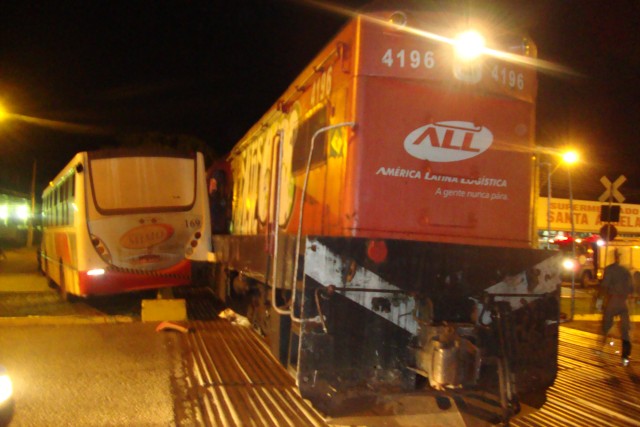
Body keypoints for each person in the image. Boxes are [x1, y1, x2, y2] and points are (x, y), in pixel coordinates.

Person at [600, 249, 634, 366]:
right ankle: (626, 355)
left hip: (614, 299)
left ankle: (603, 345)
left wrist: (600, 300)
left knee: (607, 322)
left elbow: (605, 285)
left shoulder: (609, 269)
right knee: (625, 328)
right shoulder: (626, 271)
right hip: (624, 301)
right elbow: (632, 287)